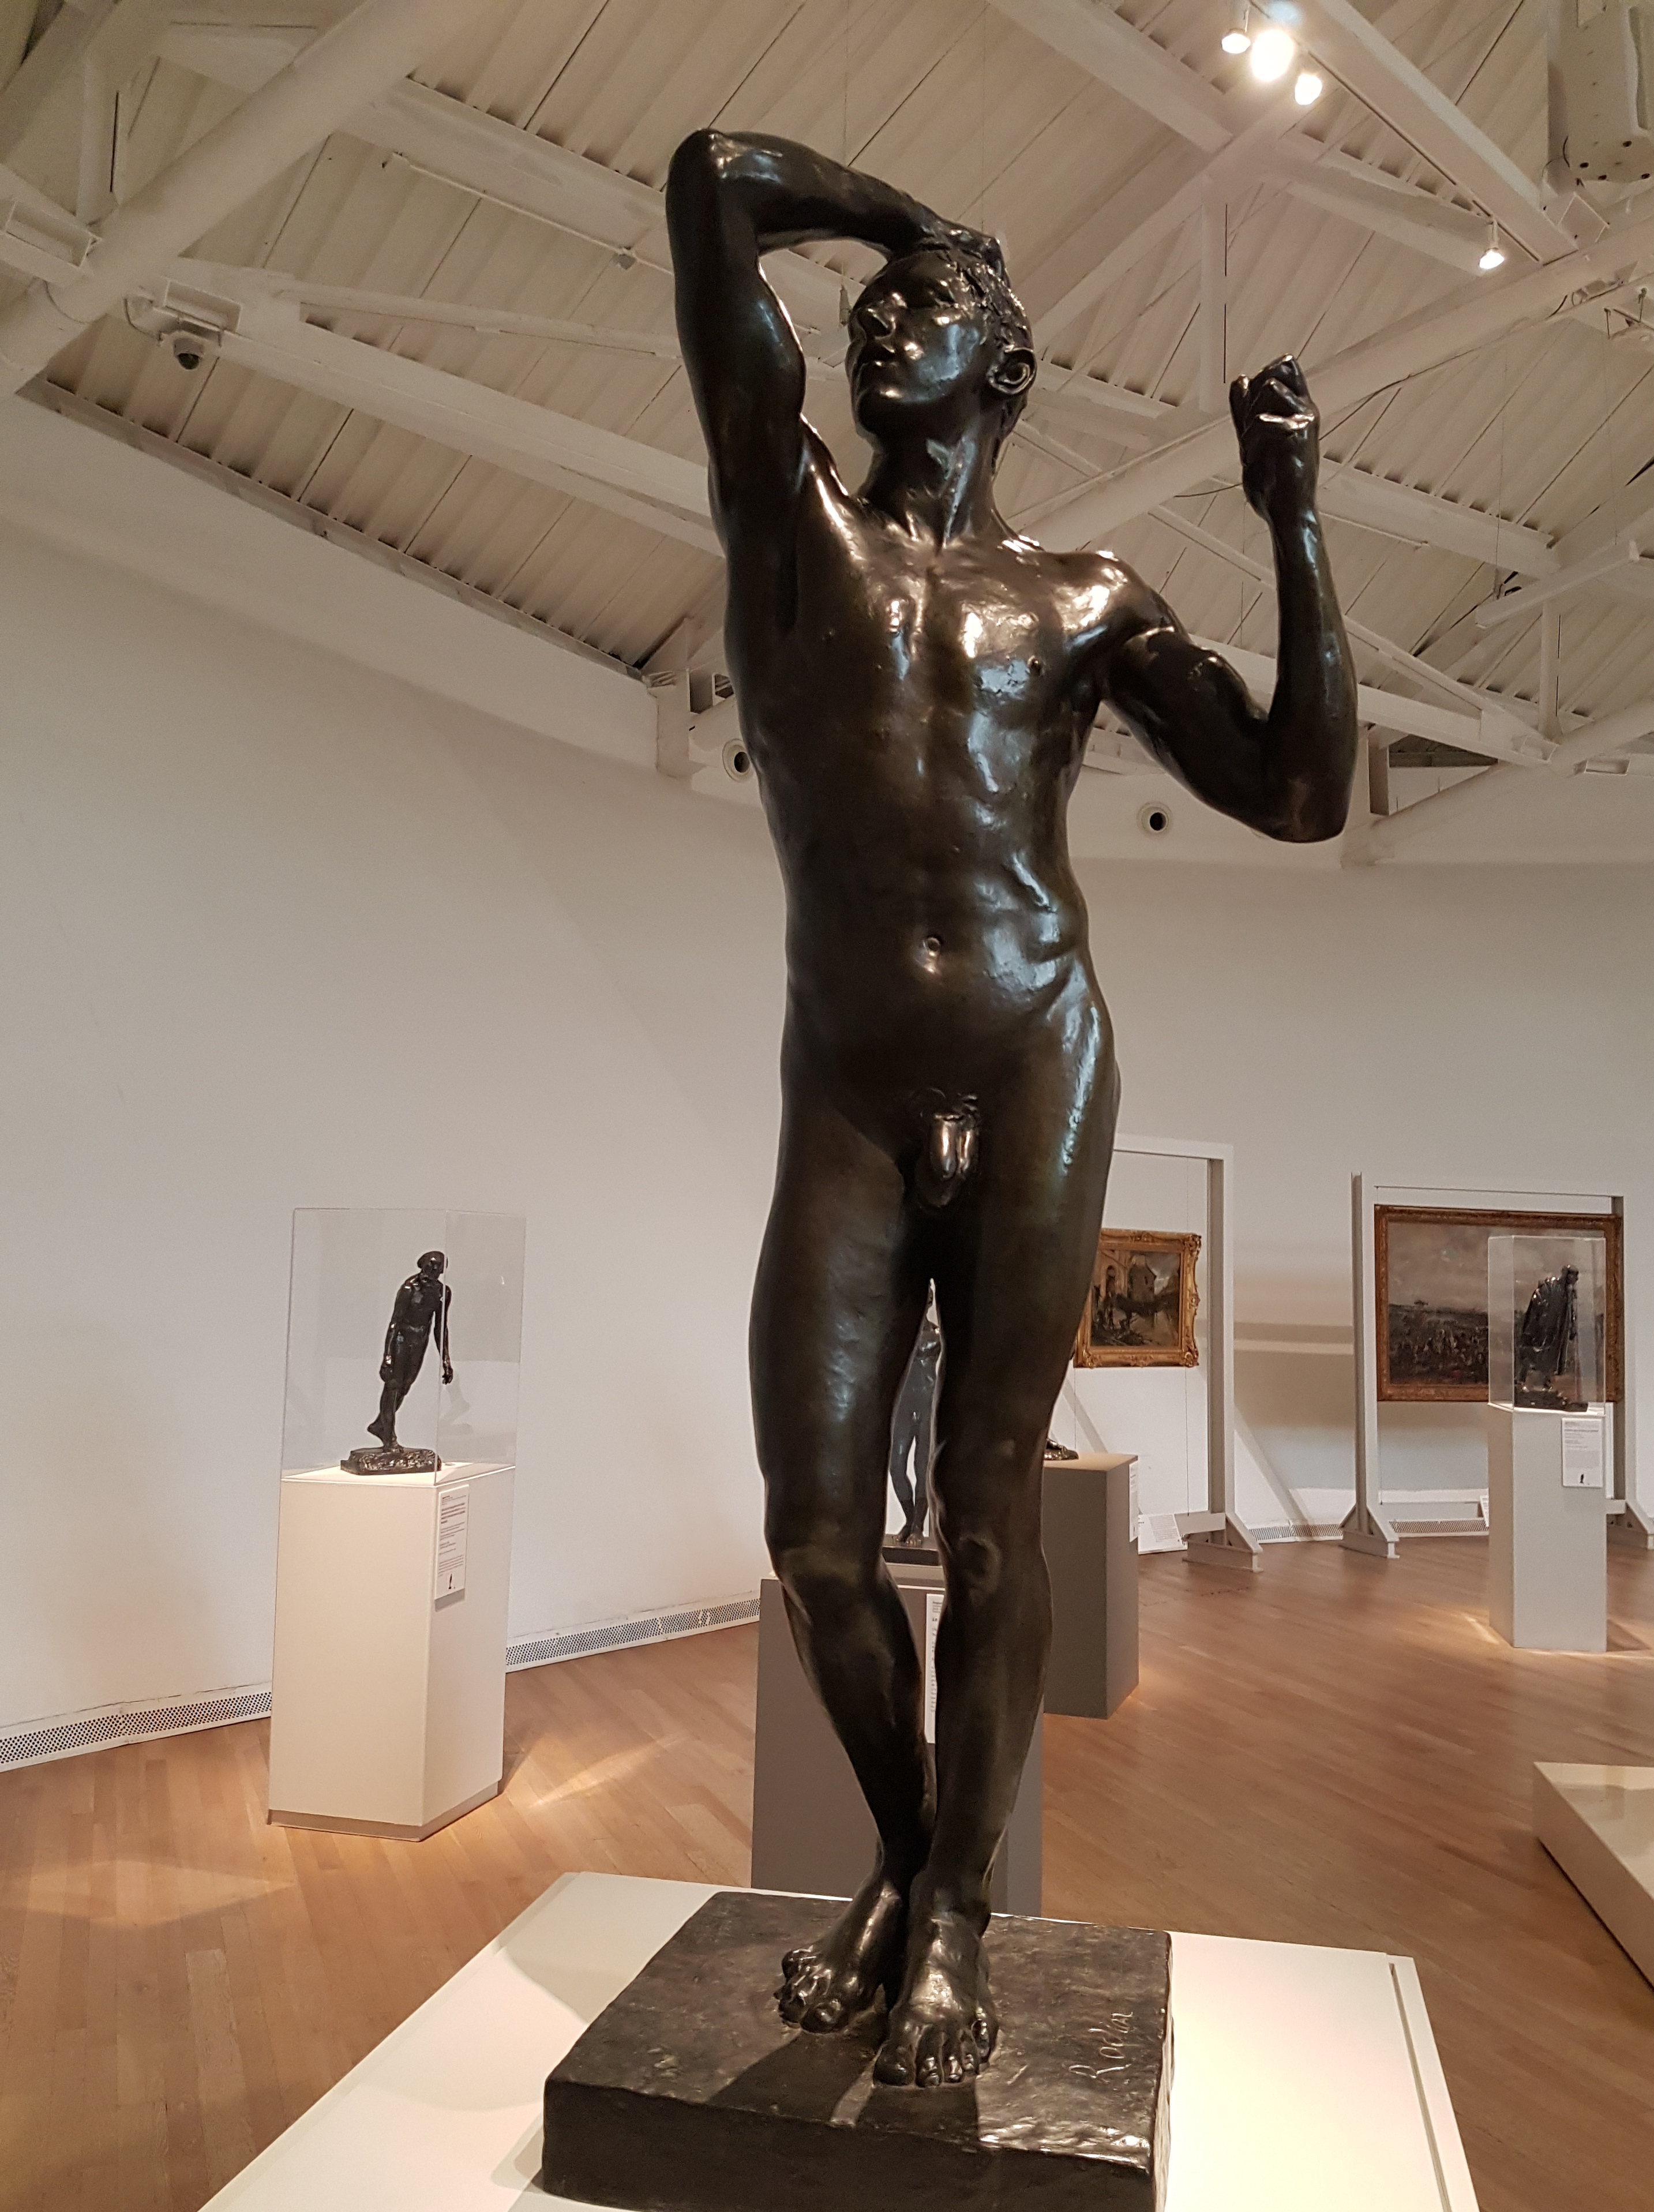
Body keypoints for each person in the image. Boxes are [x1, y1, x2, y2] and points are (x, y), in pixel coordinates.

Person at [666, 130, 1355, 2089]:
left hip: (1037, 1052)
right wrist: (921, 217)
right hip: (847, 1083)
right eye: (874, 305)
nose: (883, 322)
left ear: (1009, 371)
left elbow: (1300, 792)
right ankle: (911, 1860)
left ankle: (951, 1909)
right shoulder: (789, 524)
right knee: (816, 1536)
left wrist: (1295, 523)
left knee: (985, 1518)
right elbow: (713, 181)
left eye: (931, 308)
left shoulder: (1082, 599)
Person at [366, 1250, 453, 1450]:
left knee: (405, 1387)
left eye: (439, 1266)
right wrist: (387, 1356)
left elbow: (440, 1328)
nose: (434, 1269)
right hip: (401, 1341)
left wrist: (446, 1360)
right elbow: (394, 1323)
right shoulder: (409, 1289)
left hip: (419, 1343)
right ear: (422, 1264)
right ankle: (389, 1437)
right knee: (393, 1386)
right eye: (431, 1264)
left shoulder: (443, 1292)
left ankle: (381, 1424)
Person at [888, 1297, 942, 1546]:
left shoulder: (936, 1335)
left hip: (927, 1405)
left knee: (923, 1468)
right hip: (904, 1405)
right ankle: (910, 1520)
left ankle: (918, 1526)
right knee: (896, 1467)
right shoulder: (899, 1330)